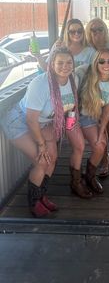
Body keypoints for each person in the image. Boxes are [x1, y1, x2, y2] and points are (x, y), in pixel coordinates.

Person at [0, 47, 83, 217]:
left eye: (69, 62)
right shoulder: (40, 84)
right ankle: (33, 203)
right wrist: (42, 145)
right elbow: (31, 119)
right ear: (51, 64)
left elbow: (71, 106)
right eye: (60, 62)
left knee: (52, 159)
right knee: (42, 161)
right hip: (20, 122)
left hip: (43, 123)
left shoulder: (72, 79)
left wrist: (69, 124)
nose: (65, 66)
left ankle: (41, 196)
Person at [76, 48, 109, 190]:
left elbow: (107, 112)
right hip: (77, 116)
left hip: (93, 118)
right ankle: (76, 181)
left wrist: (101, 132)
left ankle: (90, 176)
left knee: (101, 144)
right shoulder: (83, 72)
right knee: (82, 148)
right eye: (101, 61)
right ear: (96, 63)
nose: (106, 64)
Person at [86, 18, 109, 175]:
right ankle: (100, 155)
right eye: (93, 30)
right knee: (93, 126)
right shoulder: (86, 47)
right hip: (90, 94)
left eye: (100, 29)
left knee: (106, 123)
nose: (97, 32)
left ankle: (105, 157)